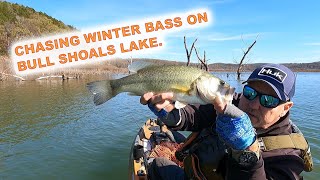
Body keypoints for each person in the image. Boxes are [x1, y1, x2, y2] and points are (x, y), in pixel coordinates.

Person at [140, 64, 313, 180]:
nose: (253, 104)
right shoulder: (230, 103)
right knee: (167, 145)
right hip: (196, 171)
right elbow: (195, 115)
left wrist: (247, 153)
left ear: (286, 107)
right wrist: (173, 114)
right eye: (250, 92)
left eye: (269, 100)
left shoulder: (289, 155)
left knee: (157, 164)